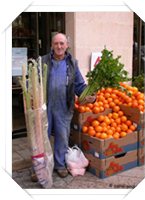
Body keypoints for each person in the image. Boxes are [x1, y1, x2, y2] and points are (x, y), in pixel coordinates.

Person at [42, 33, 95, 178]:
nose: (59, 46)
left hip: (64, 106)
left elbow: (79, 84)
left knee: (62, 136)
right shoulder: (43, 61)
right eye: (56, 43)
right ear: (52, 45)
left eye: (62, 44)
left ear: (67, 45)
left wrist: (89, 95)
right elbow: (34, 80)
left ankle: (59, 164)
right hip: (45, 106)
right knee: (42, 138)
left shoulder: (72, 63)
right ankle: (42, 167)